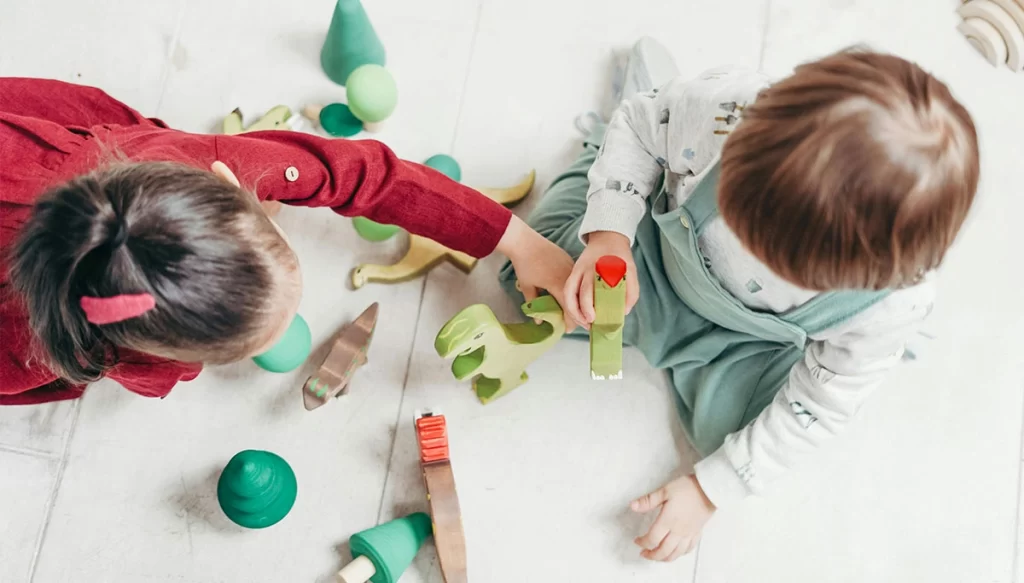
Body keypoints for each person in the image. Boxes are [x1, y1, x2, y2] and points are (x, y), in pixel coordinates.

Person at [499, 39, 979, 561]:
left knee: (735, 443)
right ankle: (611, 139)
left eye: (782, 263)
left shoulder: (893, 305)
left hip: (750, 341)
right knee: (525, 275)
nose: (753, 251)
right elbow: (641, 126)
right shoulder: (726, 112)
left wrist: (710, 490)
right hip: (655, 260)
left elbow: (817, 406)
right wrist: (610, 238)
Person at [0, 77, 574, 405]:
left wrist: (517, 240)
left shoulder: (206, 160)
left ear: (230, 182)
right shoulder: (41, 352)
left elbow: (364, 173)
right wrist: (166, 370)